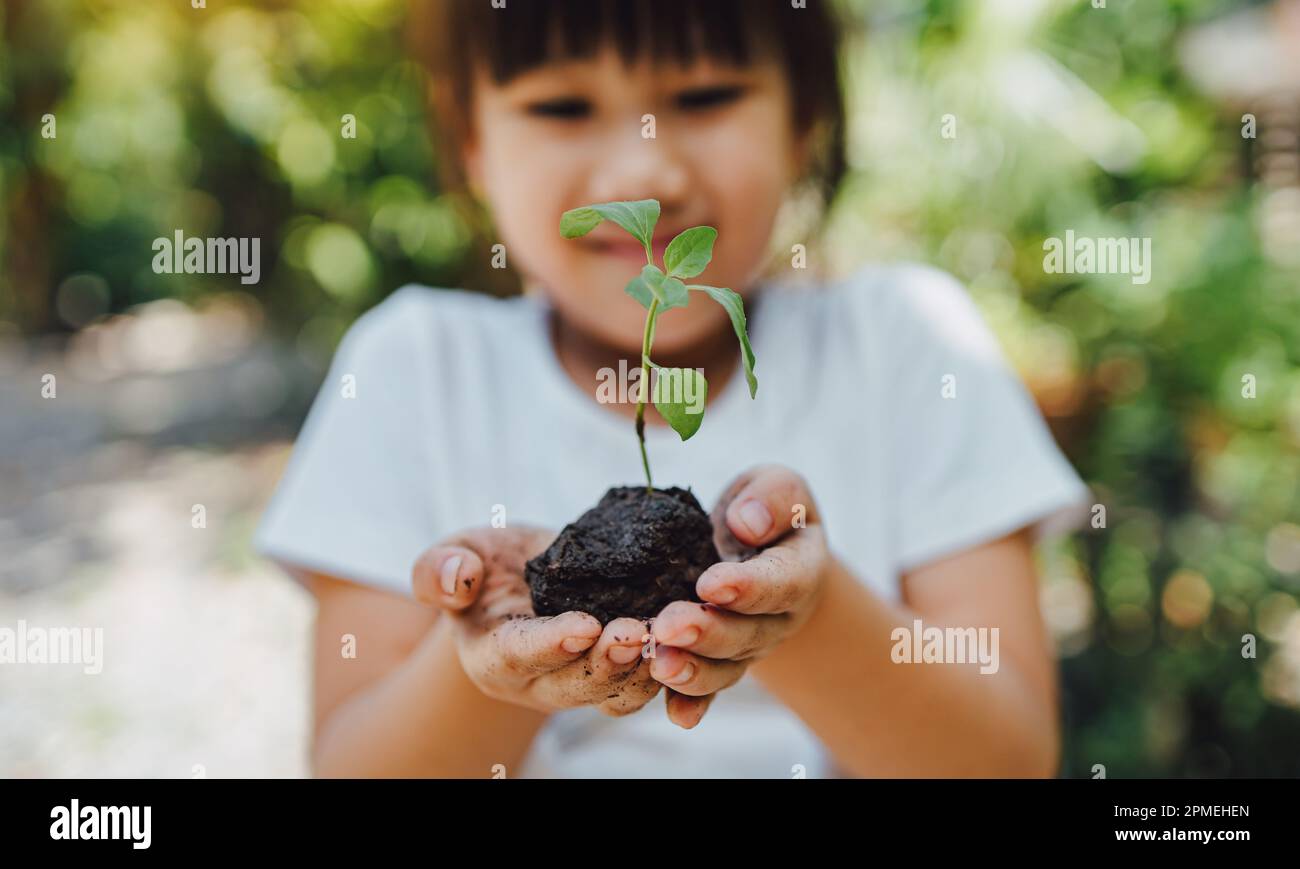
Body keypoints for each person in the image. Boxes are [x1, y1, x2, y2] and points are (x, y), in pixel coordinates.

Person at [254, 0, 1088, 778]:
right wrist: (494, 665)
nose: (643, 171)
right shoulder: (416, 366)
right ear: (469, 137)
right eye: (563, 108)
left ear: (804, 118)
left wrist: (801, 611)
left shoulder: (907, 343)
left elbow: (1006, 758)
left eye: (706, 95)